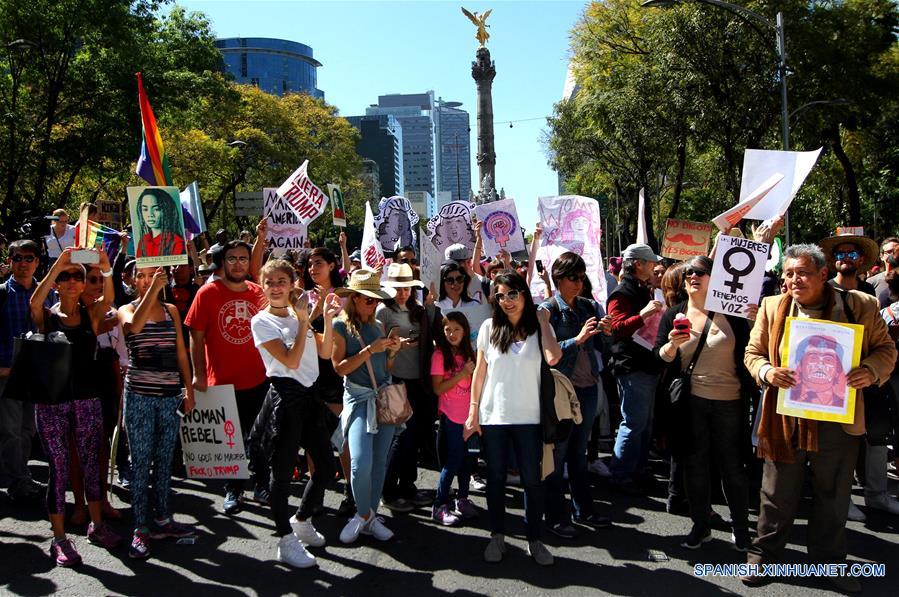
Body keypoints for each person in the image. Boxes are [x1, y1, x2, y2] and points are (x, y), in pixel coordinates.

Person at [742, 244, 896, 593]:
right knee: (775, 493)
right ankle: (763, 556)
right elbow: (753, 353)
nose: (794, 280)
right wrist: (767, 372)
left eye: (803, 273)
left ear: (823, 274)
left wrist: (870, 370)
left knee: (834, 495)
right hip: (785, 418)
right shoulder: (772, 306)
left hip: (837, 420)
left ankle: (829, 562)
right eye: (788, 274)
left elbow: (886, 350)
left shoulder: (859, 305)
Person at [654, 255, 755, 552]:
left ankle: (740, 528)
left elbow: (754, 350)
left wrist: (755, 318)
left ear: (715, 278)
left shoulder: (735, 315)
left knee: (732, 467)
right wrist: (672, 345)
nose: (692, 277)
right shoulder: (674, 314)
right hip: (691, 403)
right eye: (688, 273)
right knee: (695, 466)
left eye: (700, 272)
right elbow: (659, 358)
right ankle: (701, 526)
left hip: (730, 402)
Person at [30, 248, 122, 566]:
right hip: (51, 403)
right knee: (58, 469)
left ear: (83, 285)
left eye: (77, 276)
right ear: (57, 283)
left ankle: (98, 525)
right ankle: (59, 539)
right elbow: (34, 302)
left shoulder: (92, 314)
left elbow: (110, 297)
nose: (71, 281)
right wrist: (58, 264)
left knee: (91, 463)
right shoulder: (47, 317)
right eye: (65, 277)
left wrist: (106, 267)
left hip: (86, 399)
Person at [464, 271, 562, 566]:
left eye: (512, 293)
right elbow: (479, 372)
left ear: (524, 294)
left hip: (530, 417)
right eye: (500, 295)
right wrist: (473, 412)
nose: (506, 300)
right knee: (495, 479)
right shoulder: (488, 327)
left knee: (532, 480)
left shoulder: (539, 327)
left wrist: (543, 322)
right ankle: (497, 536)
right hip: (493, 415)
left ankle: (535, 539)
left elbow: (554, 357)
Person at [249, 259, 342, 568]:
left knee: (325, 467)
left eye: (281, 281)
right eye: (270, 282)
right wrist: (304, 322)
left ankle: (301, 519)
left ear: (292, 285)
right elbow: (289, 361)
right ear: (263, 287)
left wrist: (325, 318)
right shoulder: (262, 321)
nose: (275, 287)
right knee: (282, 474)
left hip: (310, 397)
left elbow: (325, 353)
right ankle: (285, 541)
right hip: (285, 400)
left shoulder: (296, 315)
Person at [184, 240, 270, 514]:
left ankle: (262, 484)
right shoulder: (207, 293)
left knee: (258, 437)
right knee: (230, 441)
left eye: (243, 258)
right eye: (232, 258)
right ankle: (234, 490)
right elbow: (195, 336)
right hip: (221, 381)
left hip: (258, 380)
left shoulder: (260, 293)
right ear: (223, 263)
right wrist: (198, 374)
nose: (238, 264)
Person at [118, 266, 197, 559]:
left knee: (164, 460)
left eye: (152, 276)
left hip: (169, 396)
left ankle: (163, 518)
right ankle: (140, 526)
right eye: (141, 276)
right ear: (133, 280)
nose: (146, 281)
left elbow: (180, 351)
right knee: (140, 462)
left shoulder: (171, 311)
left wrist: (188, 389)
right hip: (139, 396)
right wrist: (153, 291)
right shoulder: (126, 310)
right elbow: (134, 327)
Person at [539, 252, 612, 537]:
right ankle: (555, 514)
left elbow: (605, 347)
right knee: (557, 455)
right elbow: (549, 354)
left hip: (588, 387)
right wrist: (577, 339)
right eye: (573, 277)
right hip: (561, 390)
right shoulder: (548, 310)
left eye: (582, 277)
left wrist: (606, 332)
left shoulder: (589, 306)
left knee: (579, 454)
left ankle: (584, 509)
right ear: (558, 278)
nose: (579, 283)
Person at [331, 269, 402, 544]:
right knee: (360, 463)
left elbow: (385, 369)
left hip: (383, 399)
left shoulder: (378, 325)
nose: (374, 304)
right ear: (354, 298)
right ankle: (363, 515)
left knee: (379, 462)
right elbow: (339, 368)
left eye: (376, 300)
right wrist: (370, 350)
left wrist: (392, 351)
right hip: (359, 399)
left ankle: (369, 517)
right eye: (369, 299)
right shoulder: (340, 326)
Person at [606, 243, 665, 493]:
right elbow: (616, 328)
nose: (655, 266)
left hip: (644, 364)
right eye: (651, 262)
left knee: (644, 422)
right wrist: (643, 315)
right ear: (638, 264)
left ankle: (637, 469)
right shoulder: (622, 292)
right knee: (633, 422)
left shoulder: (641, 289)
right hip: (632, 366)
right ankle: (621, 474)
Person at [378, 263, 436, 513]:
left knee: (413, 437)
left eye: (406, 288)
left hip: (417, 381)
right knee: (399, 438)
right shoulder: (383, 311)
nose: (402, 293)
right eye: (398, 288)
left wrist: (430, 308)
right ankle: (388, 490)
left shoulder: (418, 309)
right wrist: (395, 344)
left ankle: (407, 486)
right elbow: (375, 344)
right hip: (394, 381)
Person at [305, 247, 354, 515]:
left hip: (335, 372)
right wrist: (316, 310)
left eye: (319, 263)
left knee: (342, 435)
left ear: (332, 265)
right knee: (314, 438)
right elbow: (298, 329)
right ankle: (316, 495)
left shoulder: (345, 296)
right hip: (309, 373)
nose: (313, 268)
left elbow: (350, 331)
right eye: (310, 264)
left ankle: (350, 492)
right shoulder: (303, 297)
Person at [0, 240, 48, 502]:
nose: (23, 263)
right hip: (6, 373)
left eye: (29, 258)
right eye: (17, 258)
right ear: (9, 262)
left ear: (37, 262)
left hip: (34, 374)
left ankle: (22, 476)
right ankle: (17, 481)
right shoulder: (2, 293)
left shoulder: (46, 293)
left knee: (28, 429)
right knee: (10, 430)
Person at [431, 311, 478, 526]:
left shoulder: (471, 354)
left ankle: (462, 499)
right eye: (447, 329)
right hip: (451, 418)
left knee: (468, 461)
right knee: (453, 461)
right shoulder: (439, 355)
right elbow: (438, 389)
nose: (452, 333)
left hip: (470, 418)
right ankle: (440, 505)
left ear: (465, 330)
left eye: (456, 329)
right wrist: (462, 374)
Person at [435, 261, 491, 347]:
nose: (455, 283)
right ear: (442, 283)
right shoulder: (436, 307)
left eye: (459, 279)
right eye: (450, 280)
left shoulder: (474, 305)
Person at [133, 188, 186, 259]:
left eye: (156, 209)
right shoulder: (143, 240)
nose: (150, 214)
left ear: (166, 210)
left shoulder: (176, 242)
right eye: (145, 209)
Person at [865, 236, 899, 305]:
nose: (894, 255)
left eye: (897, 251)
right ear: (881, 256)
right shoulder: (871, 283)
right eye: (889, 252)